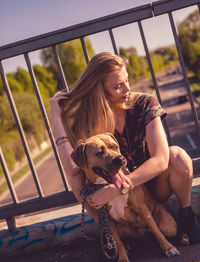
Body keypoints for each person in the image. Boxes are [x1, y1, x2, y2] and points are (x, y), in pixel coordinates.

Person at [50, 52, 200, 244]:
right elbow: (72, 169)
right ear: (100, 89)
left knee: (177, 156)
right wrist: (57, 116)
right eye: (117, 85)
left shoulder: (145, 104)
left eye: (126, 80)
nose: (127, 88)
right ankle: (110, 232)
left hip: (151, 186)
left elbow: (161, 160)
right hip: (115, 198)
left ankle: (186, 216)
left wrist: (117, 187)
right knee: (77, 179)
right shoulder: (85, 121)